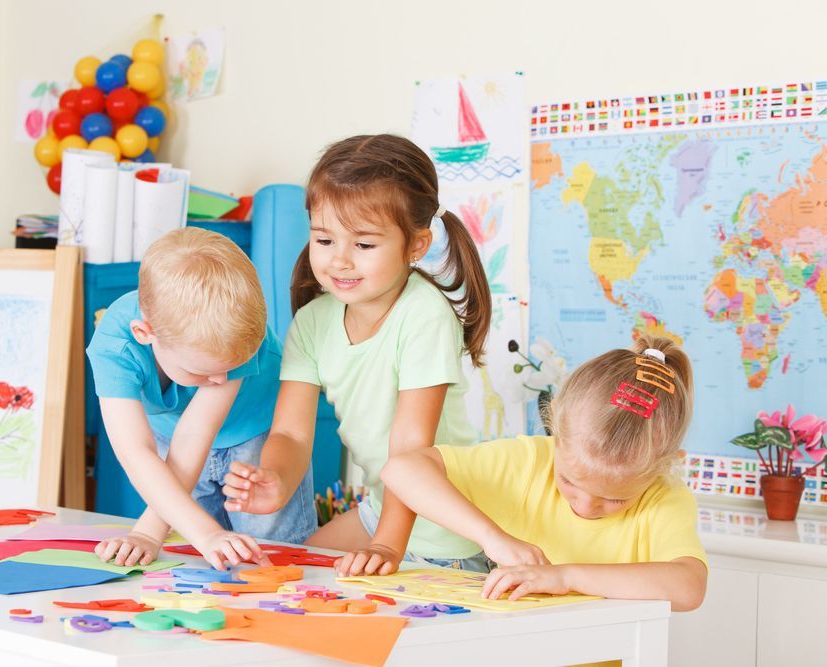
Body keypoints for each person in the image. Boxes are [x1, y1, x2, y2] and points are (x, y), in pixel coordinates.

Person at [222, 134, 492, 575]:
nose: (340, 261)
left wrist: (387, 546)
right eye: (324, 240)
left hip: (446, 530)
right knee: (285, 573)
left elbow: (411, 450)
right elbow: (290, 436)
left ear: (417, 246)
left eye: (364, 245)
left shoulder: (425, 313)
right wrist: (276, 481)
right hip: (382, 509)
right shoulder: (311, 322)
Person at [382, 336, 708, 611]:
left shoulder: (665, 497)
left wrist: (566, 577)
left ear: (663, 467)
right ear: (554, 429)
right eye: (569, 481)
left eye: (614, 499)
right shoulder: (531, 461)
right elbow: (402, 469)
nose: (585, 506)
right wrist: (491, 538)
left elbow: (690, 586)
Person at [86, 227, 316, 568]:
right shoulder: (113, 348)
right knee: (195, 548)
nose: (220, 380)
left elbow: (197, 433)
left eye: (230, 367)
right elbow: (135, 451)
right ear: (144, 334)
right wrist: (152, 533)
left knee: (272, 550)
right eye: (202, 371)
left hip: (255, 433)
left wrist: (161, 531)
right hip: (172, 438)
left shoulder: (232, 326)